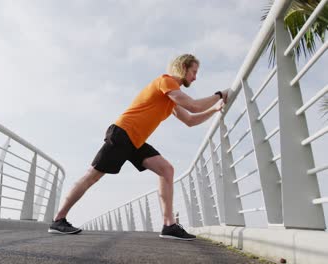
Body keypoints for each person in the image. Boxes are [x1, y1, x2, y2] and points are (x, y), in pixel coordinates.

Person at [48, 54, 228, 240]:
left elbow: (190, 120)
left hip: (136, 141)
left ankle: (169, 225)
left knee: (166, 170)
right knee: (92, 175)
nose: (195, 77)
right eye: (194, 72)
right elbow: (193, 106)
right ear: (183, 67)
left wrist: (214, 109)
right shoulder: (165, 82)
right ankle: (58, 220)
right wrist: (219, 94)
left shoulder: (172, 98)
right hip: (123, 133)